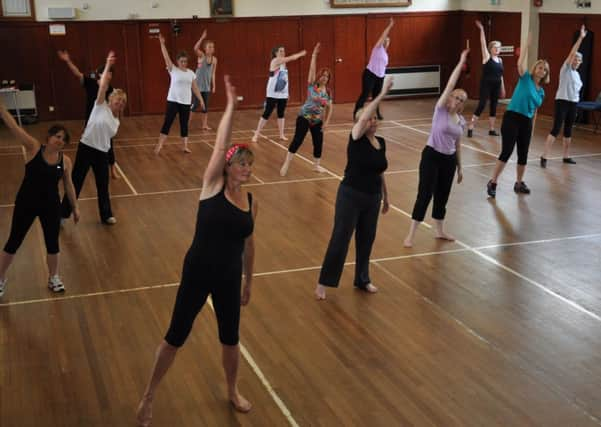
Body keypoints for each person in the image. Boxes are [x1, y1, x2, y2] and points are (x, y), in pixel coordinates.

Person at [136, 76, 258, 426]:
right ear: (229, 166)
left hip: (229, 277)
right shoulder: (212, 185)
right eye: (242, 163)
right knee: (175, 336)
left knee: (231, 339)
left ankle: (232, 390)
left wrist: (249, 281)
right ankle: (149, 396)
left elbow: (250, 244)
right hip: (198, 270)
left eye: (250, 164)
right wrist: (232, 106)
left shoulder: (250, 200)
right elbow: (221, 145)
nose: (247, 169)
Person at [315, 78, 393, 301]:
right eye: (369, 119)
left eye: (375, 119)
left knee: (366, 239)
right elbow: (364, 116)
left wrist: (386, 197)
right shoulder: (356, 138)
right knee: (340, 238)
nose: (373, 122)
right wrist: (382, 93)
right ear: (359, 123)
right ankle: (324, 282)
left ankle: (362, 279)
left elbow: (380, 171)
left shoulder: (381, 142)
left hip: (373, 198)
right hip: (350, 195)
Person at [0, 100, 79, 297]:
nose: (60, 140)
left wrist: (75, 208)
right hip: (26, 203)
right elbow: (15, 128)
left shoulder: (65, 161)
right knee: (14, 241)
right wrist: (2, 111)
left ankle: (54, 277)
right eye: (57, 136)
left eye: (63, 139)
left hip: (50, 206)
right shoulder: (34, 148)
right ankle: (0, 278)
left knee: (53, 243)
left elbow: (68, 185)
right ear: (49, 137)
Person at [403, 50, 469, 248]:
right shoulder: (440, 110)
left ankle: (439, 230)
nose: (457, 100)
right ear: (450, 97)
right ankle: (411, 234)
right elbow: (450, 83)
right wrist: (461, 62)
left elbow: (457, 145)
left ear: (462, 105)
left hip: (448, 161)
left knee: (442, 196)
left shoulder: (461, 121)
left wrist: (460, 167)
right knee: (425, 194)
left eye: (461, 99)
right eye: (456, 96)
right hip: (431, 156)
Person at [60, 51, 127, 225]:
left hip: (101, 153)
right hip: (86, 147)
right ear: (110, 100)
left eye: (121, 103)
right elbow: (103, 84)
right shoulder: (100, 105)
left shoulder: (117, 121)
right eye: (117, 101)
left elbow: (108, 140)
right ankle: (63, 214)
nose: (118, 104)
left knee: (103, 186)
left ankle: (106, 215)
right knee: (76, 181)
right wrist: (107, 63)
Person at [486, 33, 550, 198]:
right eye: (540, 67)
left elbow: (535, 111)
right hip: (512, 117)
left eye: (545, 69)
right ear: (535, 68)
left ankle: (519, 183)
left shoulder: (541, 92)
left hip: (526, 122)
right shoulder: (526, 78)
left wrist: (532, 128)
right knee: (506, 151)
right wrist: (527, 45)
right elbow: (519, 63)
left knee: (523, 153)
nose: (542, 71)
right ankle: (493, 182)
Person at [57, 50, 120, 179]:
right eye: (107, 72)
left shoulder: (112, 90)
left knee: (109, 146)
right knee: (88, 147)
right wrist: (68, 60)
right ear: (100, 75)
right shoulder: (91, 83)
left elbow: (115, 107)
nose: (109, 75)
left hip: (104, 123)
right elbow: (77, 73)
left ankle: (112, 168)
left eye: (111, 73)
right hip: (91, 121)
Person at [279, 42, 333, 176]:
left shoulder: (328, 92)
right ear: (319, 77)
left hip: (317, 120)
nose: (324, 78)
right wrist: (314, 55)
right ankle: (286, 163)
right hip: (304, 117)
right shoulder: (312, 85)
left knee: (318, 143)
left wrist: (326, 122)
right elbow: (312, 69)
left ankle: (316, 166)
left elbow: (330, 108)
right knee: (298, 140)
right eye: (323, 75)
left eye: (327, 76)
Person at [540, 25, 587, 168]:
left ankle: (566, 156)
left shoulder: (577, 75)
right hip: (562, 102)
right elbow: (573, 52)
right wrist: (581, 38)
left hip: (573, 103)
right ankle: (544, 156)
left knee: (568, 130)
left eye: (579, 61)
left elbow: (577, 92)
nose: (576, 62)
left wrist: (576, 105)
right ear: (571, 60)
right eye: (575, 60)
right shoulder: (565, 69)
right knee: (556, 128)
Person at [154, 34, 205, 154]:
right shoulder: (173, 70)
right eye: (181, 61)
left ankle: (185, 146)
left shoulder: (191, 73)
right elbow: (166, 57)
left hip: (186, 102)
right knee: (168, 122)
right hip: (173, 101)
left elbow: (195, 88)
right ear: (177, 61)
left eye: (185, 61)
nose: (183, 63)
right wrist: (162, 44)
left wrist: (201, 100)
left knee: (184, 125)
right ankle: (160, 145)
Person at [251, 46, 307, 142]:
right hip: (272, 92)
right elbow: (292, 58)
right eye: (280, 51)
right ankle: (256, 134)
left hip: (282, 93)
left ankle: (281, 134)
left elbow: (284, 79)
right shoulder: (275, 61)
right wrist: (300, 54)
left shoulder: (283, 63)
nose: (283, 52)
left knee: (281, 113)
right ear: (276, 53)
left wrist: (286, 92)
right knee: (267, 113)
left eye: (284, 51)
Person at [466, 20, 506, 138]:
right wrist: (482, 30)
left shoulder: (500, 60)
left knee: (494, 106)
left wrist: (502, 88)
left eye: (499, 47)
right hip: (486, 84)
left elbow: (501, 75)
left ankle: (492, 129)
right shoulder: (486, 57)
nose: (497, 49)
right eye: (495, 47)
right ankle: (471, 126)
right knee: (482, 104)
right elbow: (482, 43)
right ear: (490, 48)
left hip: (497, 85)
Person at [353, 17, 394, 121]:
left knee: (377, 97)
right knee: (365, 94)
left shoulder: (385, 54)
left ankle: (377, 113)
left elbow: (383, 67)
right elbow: (383, 35)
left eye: (388, 41)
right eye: (385, 40)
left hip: (380, 77)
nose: (386, 41)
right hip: (369, 74)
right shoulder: (377, 48)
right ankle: (356, 112)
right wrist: (389, 26)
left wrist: (383, 77)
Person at [191, 29, 217, 131]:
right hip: (197, 86)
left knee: (205, 107)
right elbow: (195, 48)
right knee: (195, 105)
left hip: (206, 86)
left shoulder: (215, 59)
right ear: (205, 49)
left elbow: (213, 73)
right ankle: (186, 124)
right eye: (209, 47)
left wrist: (214, 85)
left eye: (212, 47)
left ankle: (204, 125)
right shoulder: (202, 56)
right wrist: (202, 38)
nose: (211, 48)